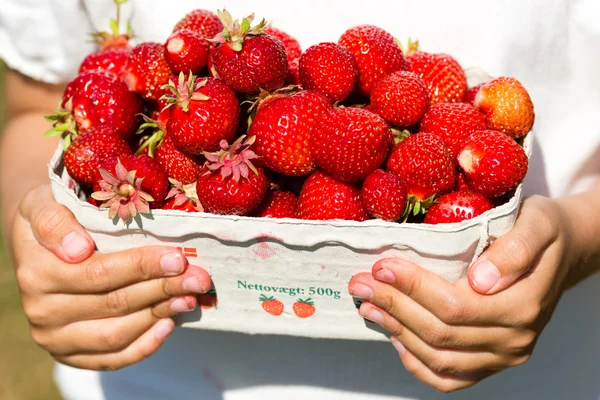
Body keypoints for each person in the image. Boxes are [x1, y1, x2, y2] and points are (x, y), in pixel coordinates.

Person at [1, 0, 599, 398]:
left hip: (528, 373)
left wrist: (576, 236)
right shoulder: (216, 119)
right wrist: (45, 233)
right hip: (157, 377)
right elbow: (38, 108)